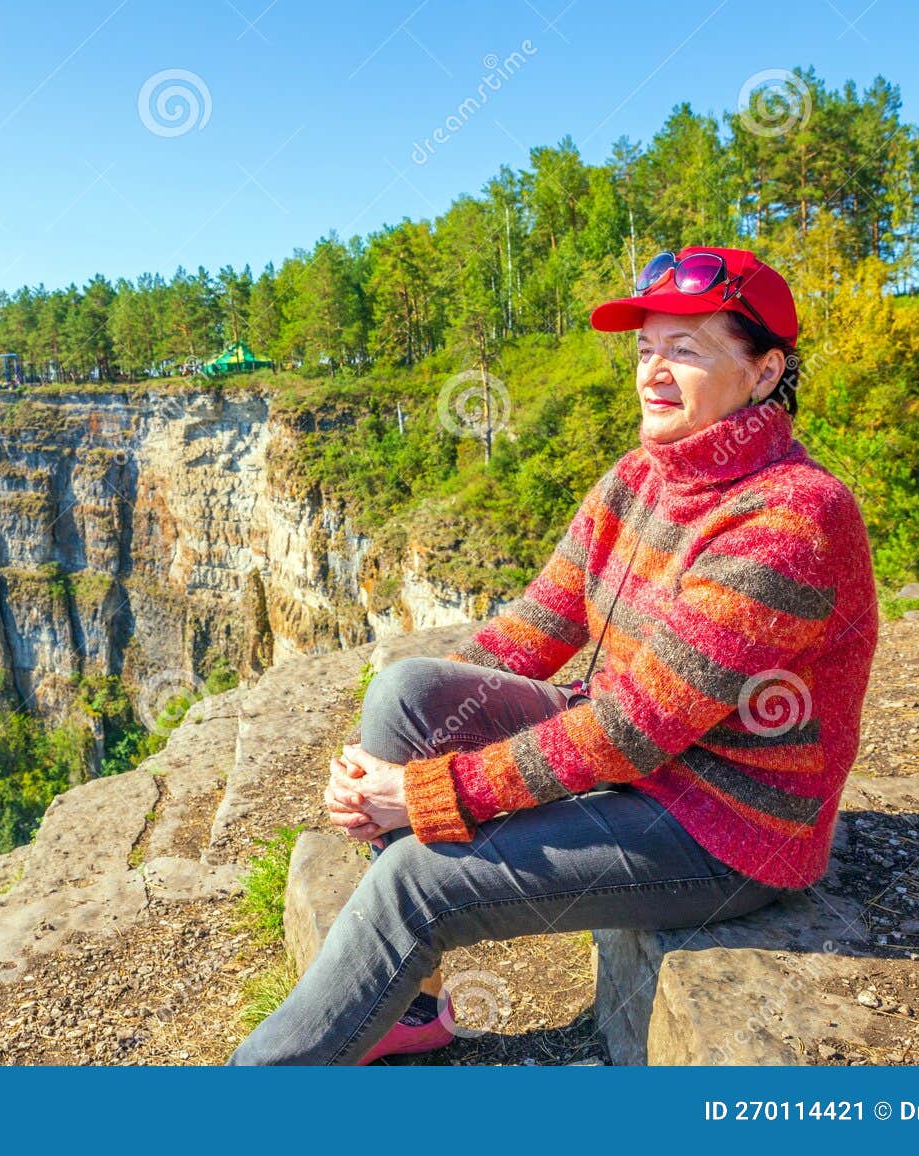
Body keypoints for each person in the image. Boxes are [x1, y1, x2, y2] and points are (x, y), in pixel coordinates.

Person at [229, 246, 879, 1065]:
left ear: (762, 372)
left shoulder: (793, 520)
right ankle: (406, 1005)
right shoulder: (641, 478)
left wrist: (429, 793)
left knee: (415, 883)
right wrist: (396, 758)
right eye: (646, 349)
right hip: (642, 766)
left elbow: (631, 731)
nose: (653, 371)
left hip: (724, 826)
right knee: (409, 693)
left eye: (686, 350)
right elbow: (539, 623)